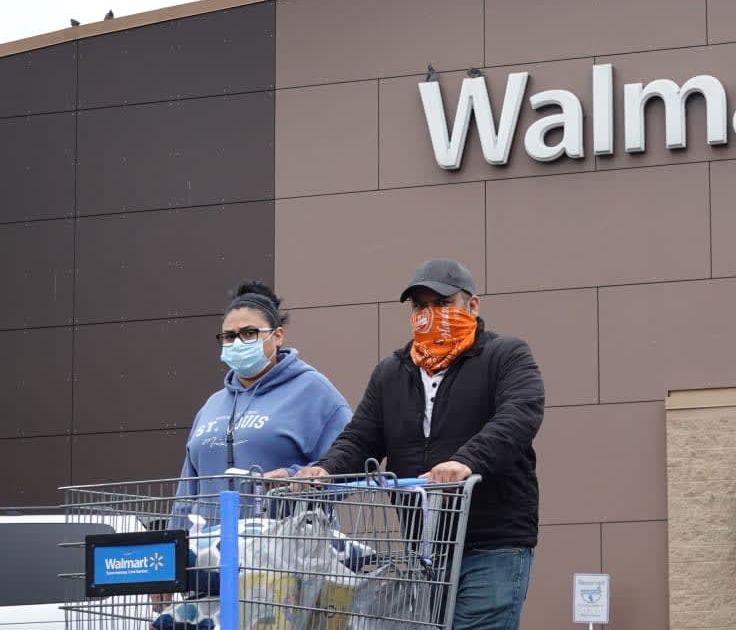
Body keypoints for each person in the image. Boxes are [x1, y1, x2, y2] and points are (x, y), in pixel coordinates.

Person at [297, 258, 545, 630]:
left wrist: (466, 461)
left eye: (442, 304)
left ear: (472, 306)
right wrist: (326, 469)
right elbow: (361, 436)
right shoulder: (392, 373)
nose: (429, 315)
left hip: (493, 543)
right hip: (425, 550)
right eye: (419, 306)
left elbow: (519, 415)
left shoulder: (505, 356)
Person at [175, 281, 353, 508]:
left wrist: (295, 476)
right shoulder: (212, 406)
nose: (238, 343)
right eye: (229, 336)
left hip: (288, 539)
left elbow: (349, 465)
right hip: (212, 541)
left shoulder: (314, 392)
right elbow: (186, 493)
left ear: (278, 336)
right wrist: (177, 538)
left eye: (249, 333)